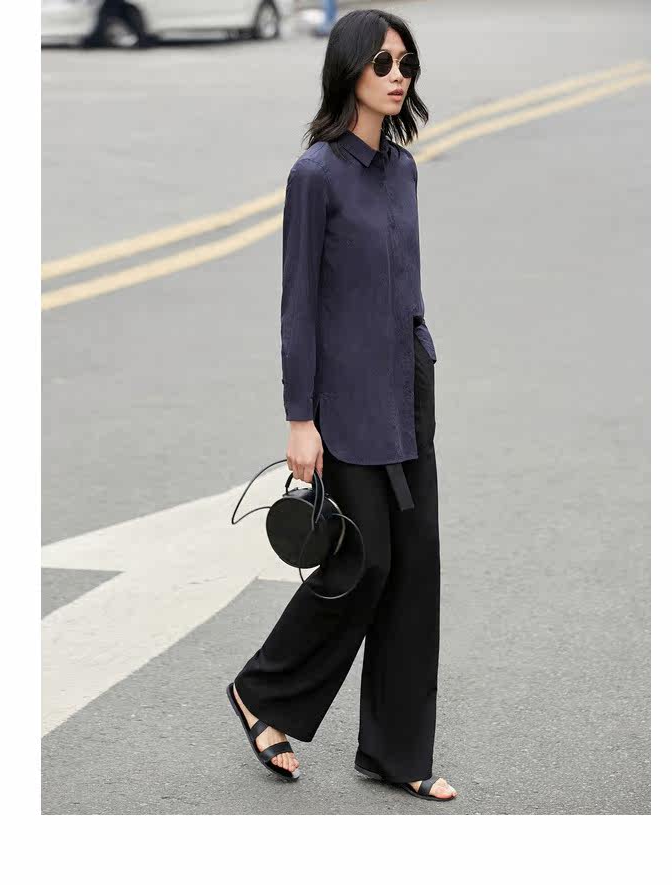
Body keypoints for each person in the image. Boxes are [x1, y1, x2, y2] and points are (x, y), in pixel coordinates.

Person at [228, 9, 457, 802]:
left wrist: (421, 359)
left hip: (407, 389)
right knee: (366, 561)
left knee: (415, 567)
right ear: (350, 70)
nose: (398, 76)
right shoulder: (316, 175)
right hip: (345, 402)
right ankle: (262, 690)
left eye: (406, 63)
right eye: (383, 63)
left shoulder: (402, 168)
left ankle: (396, 753)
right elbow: (298, 305)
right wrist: (301, 417)